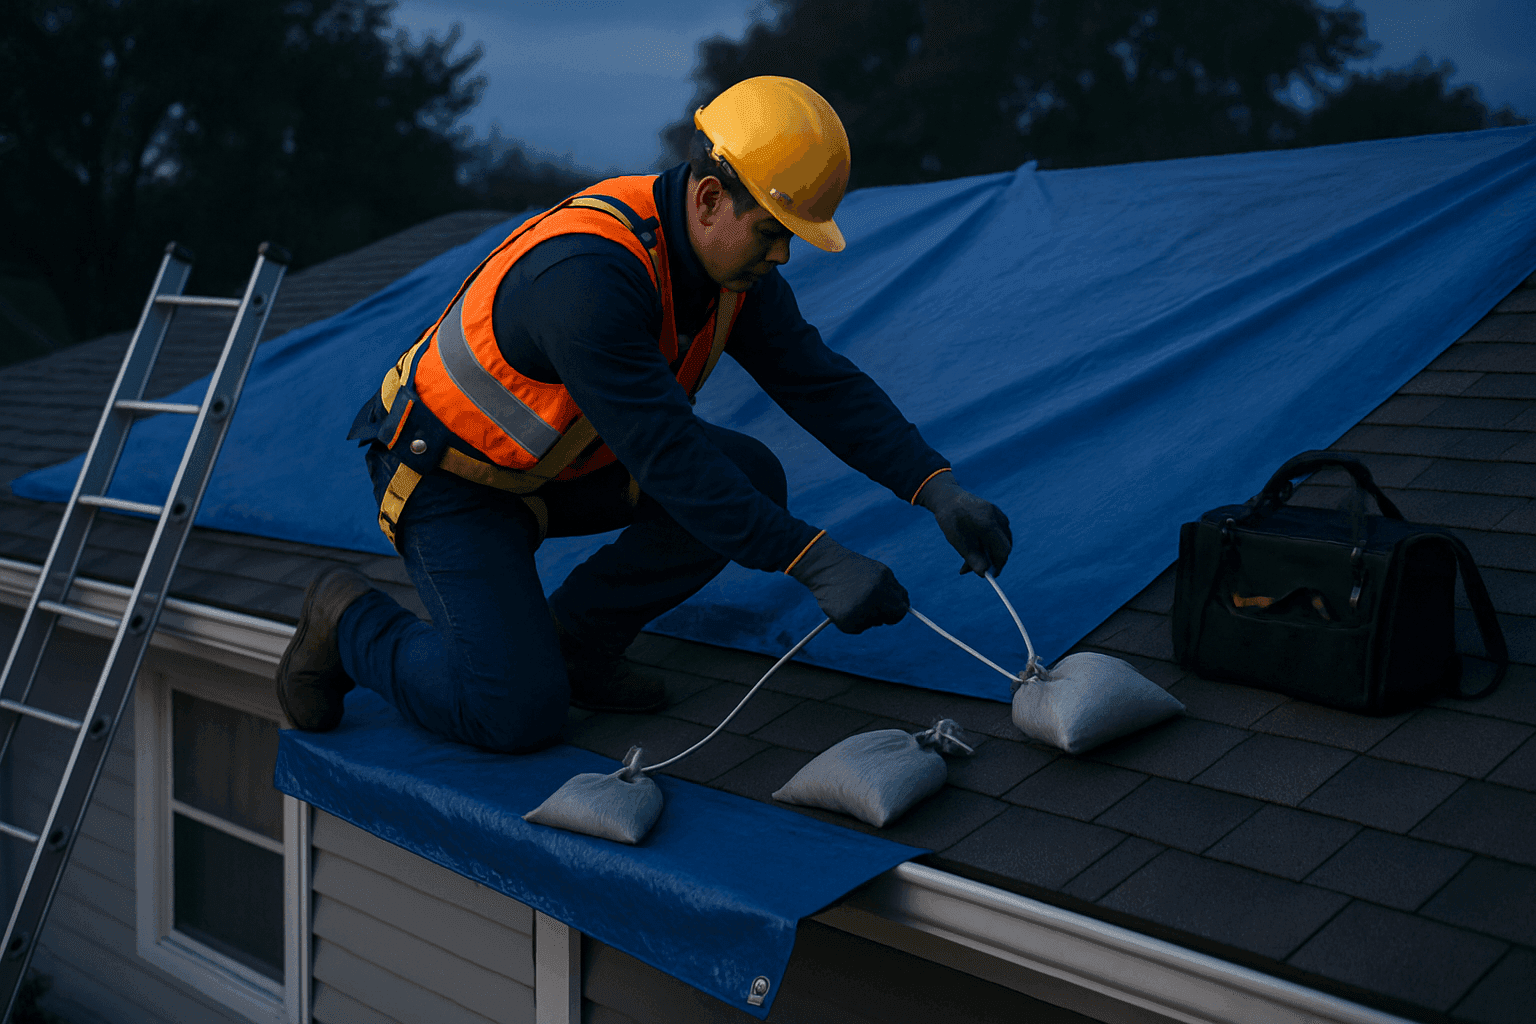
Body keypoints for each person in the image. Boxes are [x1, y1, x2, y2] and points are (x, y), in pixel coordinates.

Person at [276, 76, 1011, 753]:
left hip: (560, 466)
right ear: (710, 198)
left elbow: (819, 383)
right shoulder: (587, 279)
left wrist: (933, 485)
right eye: (773, 230)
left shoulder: (732, 270)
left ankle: (579, 647)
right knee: (515, 714)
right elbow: (669, 455)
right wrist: (814, 561)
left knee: (748, 475)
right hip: (452, 483)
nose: (783, 255)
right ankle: (347, 622)